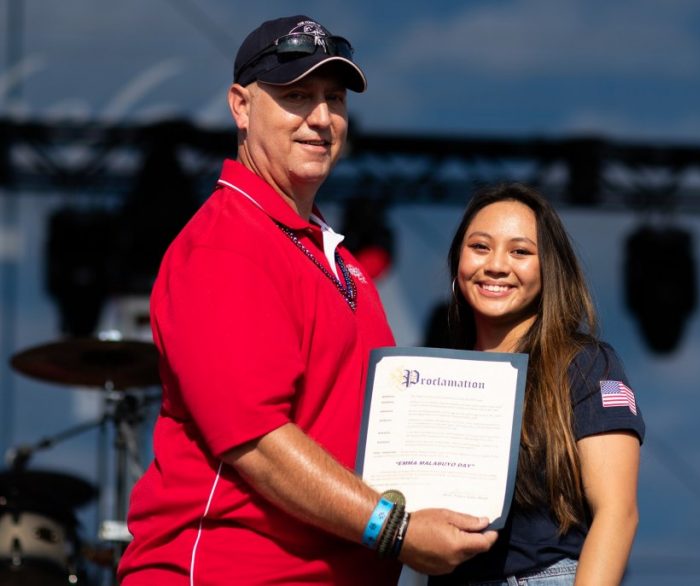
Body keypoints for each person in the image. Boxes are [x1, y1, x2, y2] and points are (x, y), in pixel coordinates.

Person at [117, 14, 497, 586]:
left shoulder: (333, 256)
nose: (321, 118)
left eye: (334, 98)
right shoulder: (228, 242)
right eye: (297, 96)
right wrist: (396, 531)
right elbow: (257, 441)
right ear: (241, 107)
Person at [430, 182, 645, 585]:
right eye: (480, 247)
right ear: (457, 261)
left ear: (549, 268)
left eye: (520, 251)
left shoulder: (585, 364)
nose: (496, 265)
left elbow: (618, 512)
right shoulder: (434, 375)